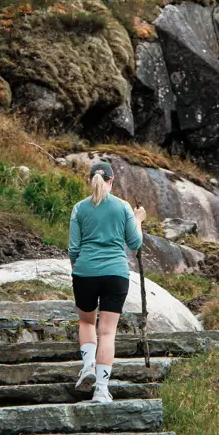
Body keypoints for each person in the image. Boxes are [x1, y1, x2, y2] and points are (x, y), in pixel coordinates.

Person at [69, 160, 145, 403]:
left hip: (85, 272)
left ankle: (88, 364)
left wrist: (79, 270)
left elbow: (73, 248)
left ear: (90, 180)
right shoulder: (122, 207)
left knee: (86, 322)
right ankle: (101, 389)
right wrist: (138, 219)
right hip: (116, 274)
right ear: (112, 181)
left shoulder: (79, 208)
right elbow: (135, 243)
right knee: (108, 332)